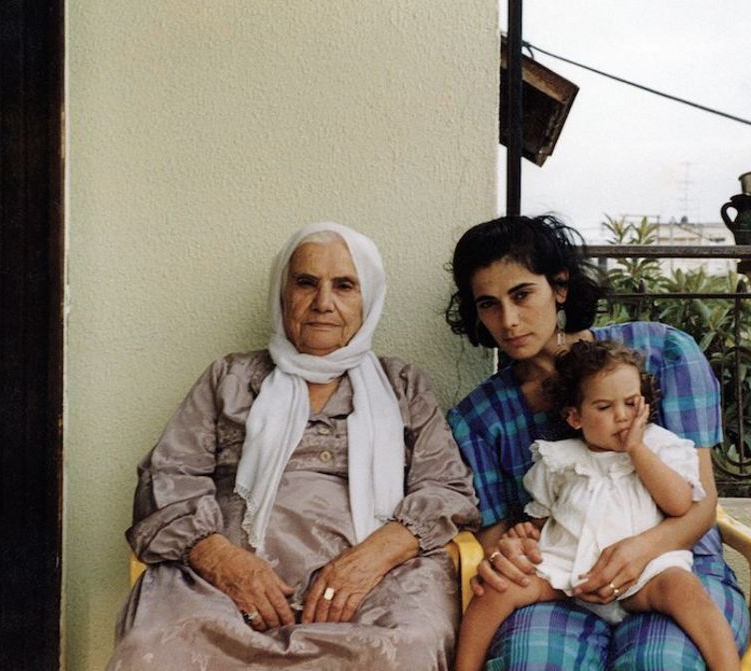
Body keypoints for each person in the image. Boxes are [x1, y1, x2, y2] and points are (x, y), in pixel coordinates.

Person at [109, 222, 480, 671]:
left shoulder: (402, 386)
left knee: (408, 645)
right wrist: (222, 561)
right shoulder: (230, 378)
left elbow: (447, 489)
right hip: (225, 585)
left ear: (369, 300)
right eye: (306, 283)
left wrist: (368, 561)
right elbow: (167, 476)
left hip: (375, 581)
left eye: (344, 286)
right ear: (282, 294)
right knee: (157, 645)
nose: (323, 303)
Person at [445, 214, 750, 670]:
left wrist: (640, 549)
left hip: (672, 563)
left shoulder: (662, 355)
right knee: (531, 660)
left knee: (663, 662)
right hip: (561, 572)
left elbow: (699, 504)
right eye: (488, 304)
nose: (508, 321)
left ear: (560, 287)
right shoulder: (478, 419)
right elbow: (495, 529)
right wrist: (510, 547)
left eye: (522, 294)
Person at [455, 340, 740, 671]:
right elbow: (542, 515)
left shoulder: (660, 447)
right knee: (494, 591)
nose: (621, 416)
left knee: (686, 591)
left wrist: (637, 450)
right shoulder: (558, 459)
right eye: (604, 408)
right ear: (575, 417)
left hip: (646, 575)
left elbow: (679, 504)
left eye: (631, 403)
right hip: (567, 573)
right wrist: (526, 533)